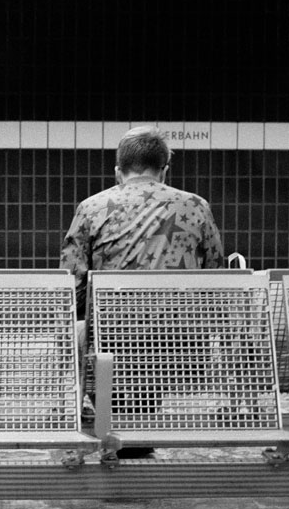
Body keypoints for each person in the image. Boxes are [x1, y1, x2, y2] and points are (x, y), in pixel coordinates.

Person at [60, 125, 225, 459]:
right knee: (146, 363)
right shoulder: (196, 206)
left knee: (88, 335)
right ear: (163, 170)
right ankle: (133, 432)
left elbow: (72, 282)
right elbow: (216, 273)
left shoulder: (92, 208)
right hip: (179, 346)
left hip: (111, 342)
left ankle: (116, 425)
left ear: (119, 172)